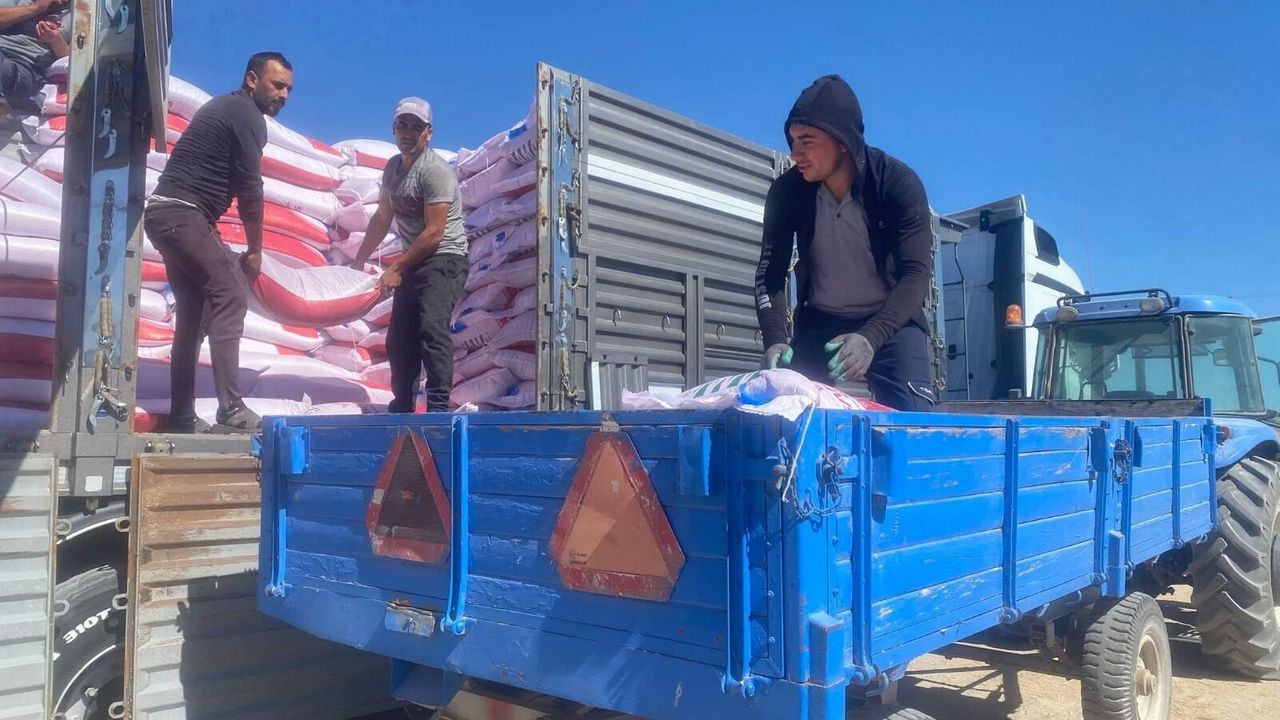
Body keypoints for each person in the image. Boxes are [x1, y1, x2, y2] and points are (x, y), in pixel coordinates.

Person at [754, 74, 936, 411]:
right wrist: (775, 338)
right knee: (787, 411)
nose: (794, 153)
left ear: (842, 140)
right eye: (792, 140)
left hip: (890, 322)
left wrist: (871, 338)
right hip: (820, 323)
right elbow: (770, 272)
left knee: (914, 423)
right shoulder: (786, 192)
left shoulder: (898, 183)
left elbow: (916, 275)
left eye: (807, 141)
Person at [143, 51, 293, 433]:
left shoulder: (227, 108)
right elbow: (251, 189)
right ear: (252, 80)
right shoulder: (246, 114)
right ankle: (231, 408)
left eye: (288, 90)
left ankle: (181, 417)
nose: (284, 95)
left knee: (192, 317)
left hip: (168, 215)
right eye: (277, 85)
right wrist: (255, 250)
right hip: (182, 214)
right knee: (231, 296)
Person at [349, 97, 468, 413]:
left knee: (431, 327)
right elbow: (382, 218)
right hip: (415, 258)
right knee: (399, 337)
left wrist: (397, 268)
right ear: (394, 128)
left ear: (429, 133)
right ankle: (402, 405)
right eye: (403, 125)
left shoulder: (435, 172)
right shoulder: (392, 168)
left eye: (417, 127)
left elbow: (434, 232)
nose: (409, 133)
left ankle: (438, 408)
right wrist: (358, 261)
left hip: (445, 257)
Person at [0, 0, 69, 107]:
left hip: (27, 67)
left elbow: (73, 60)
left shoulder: (82, 13)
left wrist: (55, 40)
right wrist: (37, 7)